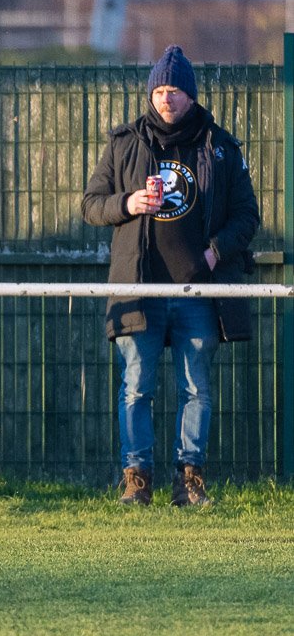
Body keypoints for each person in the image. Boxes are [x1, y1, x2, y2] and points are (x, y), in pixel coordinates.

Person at [82, 45, 260, 507]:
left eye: (175, 90)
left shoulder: (220, 146)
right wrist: (127, 203)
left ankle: (190, 481)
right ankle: (136, 480)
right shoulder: (123, 144)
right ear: (150, 93)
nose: (166, 98)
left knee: (196, 386)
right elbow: (90, 205)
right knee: (136, 386)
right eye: (159, 89)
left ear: (191, 94)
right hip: (137, 288)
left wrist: (217, 251)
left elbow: (246, 215)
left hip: (198, 290)